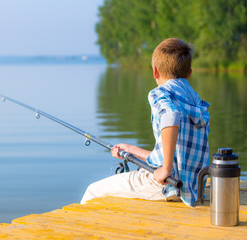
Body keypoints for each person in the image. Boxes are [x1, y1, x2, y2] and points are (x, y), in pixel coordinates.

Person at [80, 38, 210, 207]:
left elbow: (170, 115)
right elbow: (174, 156)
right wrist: (131, 150)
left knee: (93, 191)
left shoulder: (160, 94)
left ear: (155, 72)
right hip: (193, 188)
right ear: (189, 73)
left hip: (164, 186)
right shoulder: (196, 102)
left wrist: (166, 169)